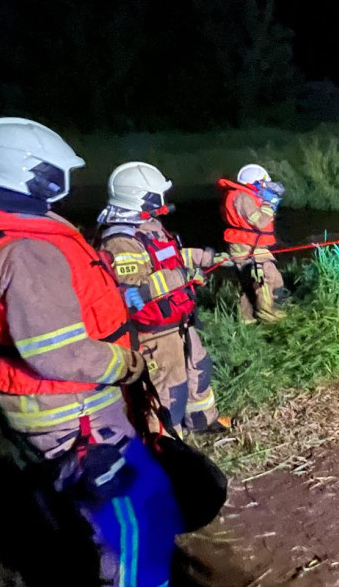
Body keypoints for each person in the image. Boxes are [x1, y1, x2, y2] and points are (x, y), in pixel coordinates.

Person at [0, 117, 182, 586]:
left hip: (45, 400)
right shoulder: (26, 248)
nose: (66, 181)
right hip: (71, 406)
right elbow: (58, 354)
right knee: (136, 513)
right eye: (59, 171)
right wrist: (127, 363)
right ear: (35, 174)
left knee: (87, 506)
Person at [96, 161, 236, 435]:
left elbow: (171, 256)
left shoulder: (150, 227)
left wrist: (208, 257)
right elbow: (134, 294)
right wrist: (185, 276)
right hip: (154, 333)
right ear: (141, 198)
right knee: (168, 390)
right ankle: (167, 444)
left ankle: (202, 420)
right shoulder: (119, 242)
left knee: (199, 369)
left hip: (178, 320)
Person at [217, 163, 286, 324]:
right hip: (246, 246)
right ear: (252, 183)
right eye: (262, 183)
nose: (265, 187)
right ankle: (266, 314)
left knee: (256, 280)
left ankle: (247, 318)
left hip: (253, 245)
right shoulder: (243, 197)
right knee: (264, 277)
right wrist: (269, 205)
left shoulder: (246, 195)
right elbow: (260, 221)